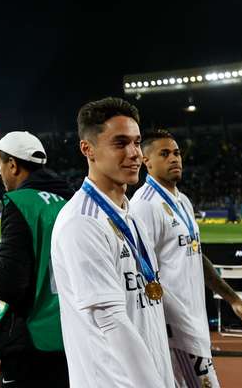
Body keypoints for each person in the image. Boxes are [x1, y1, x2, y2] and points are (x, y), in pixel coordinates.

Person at [50, 97, 175, 387]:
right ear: (87, 149)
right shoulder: (82, 222)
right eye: (120, 143)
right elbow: (111, 322)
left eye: (137, 142)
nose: (135, 154)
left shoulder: (131, 215)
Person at [131, 129, 242, 387]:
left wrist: (233, 299)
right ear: (146, 161)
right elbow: (141, 275)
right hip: (173, 331)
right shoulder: (144, 206)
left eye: (177, 153)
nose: (174, 159)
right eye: (164, 154)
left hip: (194, 324)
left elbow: (195, 256)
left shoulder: (184, 202)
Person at [0, 131, 71, 386]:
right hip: (70, 335)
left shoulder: (20, 202)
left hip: (31, 340)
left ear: (12, 165)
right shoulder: (69, 201)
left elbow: (9, 284)